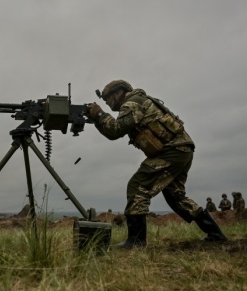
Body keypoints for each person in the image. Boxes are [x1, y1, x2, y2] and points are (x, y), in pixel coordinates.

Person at [86, 80, 227, 247]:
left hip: (172, 150)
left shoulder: (131, 103)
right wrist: (97, 119)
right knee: (175, 196)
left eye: (107, 98)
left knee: (138, 186)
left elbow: (116, 130)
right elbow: (111, 133)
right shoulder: (137, 101)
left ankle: (136, 241)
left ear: (118, 93)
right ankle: (215, 234)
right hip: (181, 150)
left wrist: (100, 114)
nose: (107, 103)